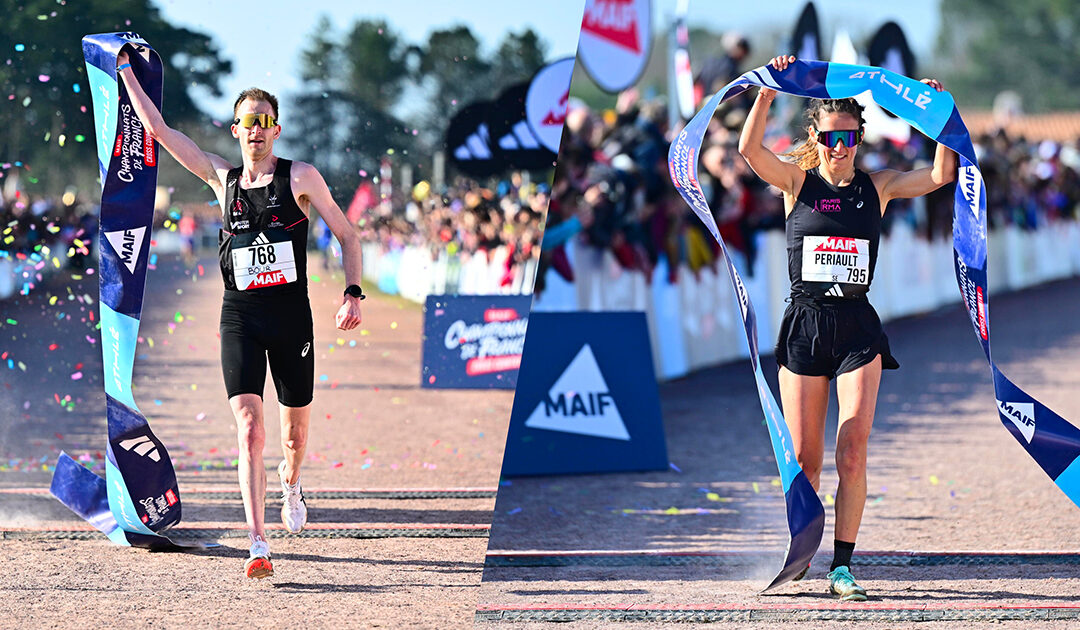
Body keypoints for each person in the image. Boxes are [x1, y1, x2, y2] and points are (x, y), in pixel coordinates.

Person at [115, 48, 365, 579]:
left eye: (264, 122)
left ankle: (291, 482)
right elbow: (157, 131)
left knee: (293, 436)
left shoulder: (301, 178)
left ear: (276, 130)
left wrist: (352, 292)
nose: (256, 130)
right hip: (241, 317)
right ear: (235, 130)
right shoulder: (221, 180)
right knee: (249, 426)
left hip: (292, 319)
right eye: (248, 122)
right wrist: (124, 72)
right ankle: (257, 543)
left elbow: (347, 234)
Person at [737, 55, 956, 600]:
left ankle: (843, 566)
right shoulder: (797, 182)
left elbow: (939, 175)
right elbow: (748, 152)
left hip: (858, 328)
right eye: (831, 138)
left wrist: (939, 119)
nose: (841, 148)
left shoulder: (877, 186)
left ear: (859, 136)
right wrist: (766, 92)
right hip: (805, 328)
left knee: (853, 447)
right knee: (807, 462)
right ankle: (802, 551)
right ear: (815, 135)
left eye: (850, 138)